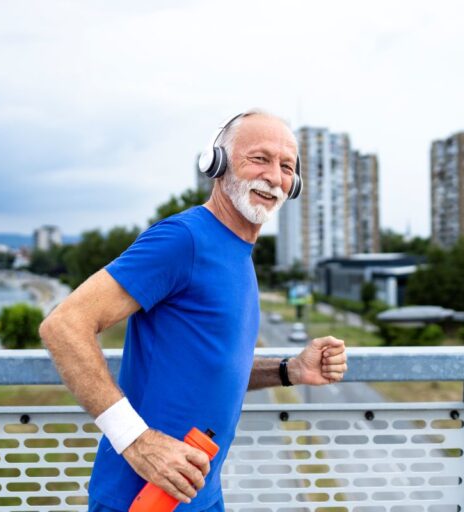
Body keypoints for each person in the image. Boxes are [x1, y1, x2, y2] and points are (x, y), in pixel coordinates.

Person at [39, 110, 348, 512]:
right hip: (140, 499)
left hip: (199, 494)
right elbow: (63, 325)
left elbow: (211, 363)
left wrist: (289, 370)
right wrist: (137, 441)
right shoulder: (183, 239)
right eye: (259, 158)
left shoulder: (238, 252)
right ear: (216, 163)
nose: (274, 176)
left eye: (286, 166)